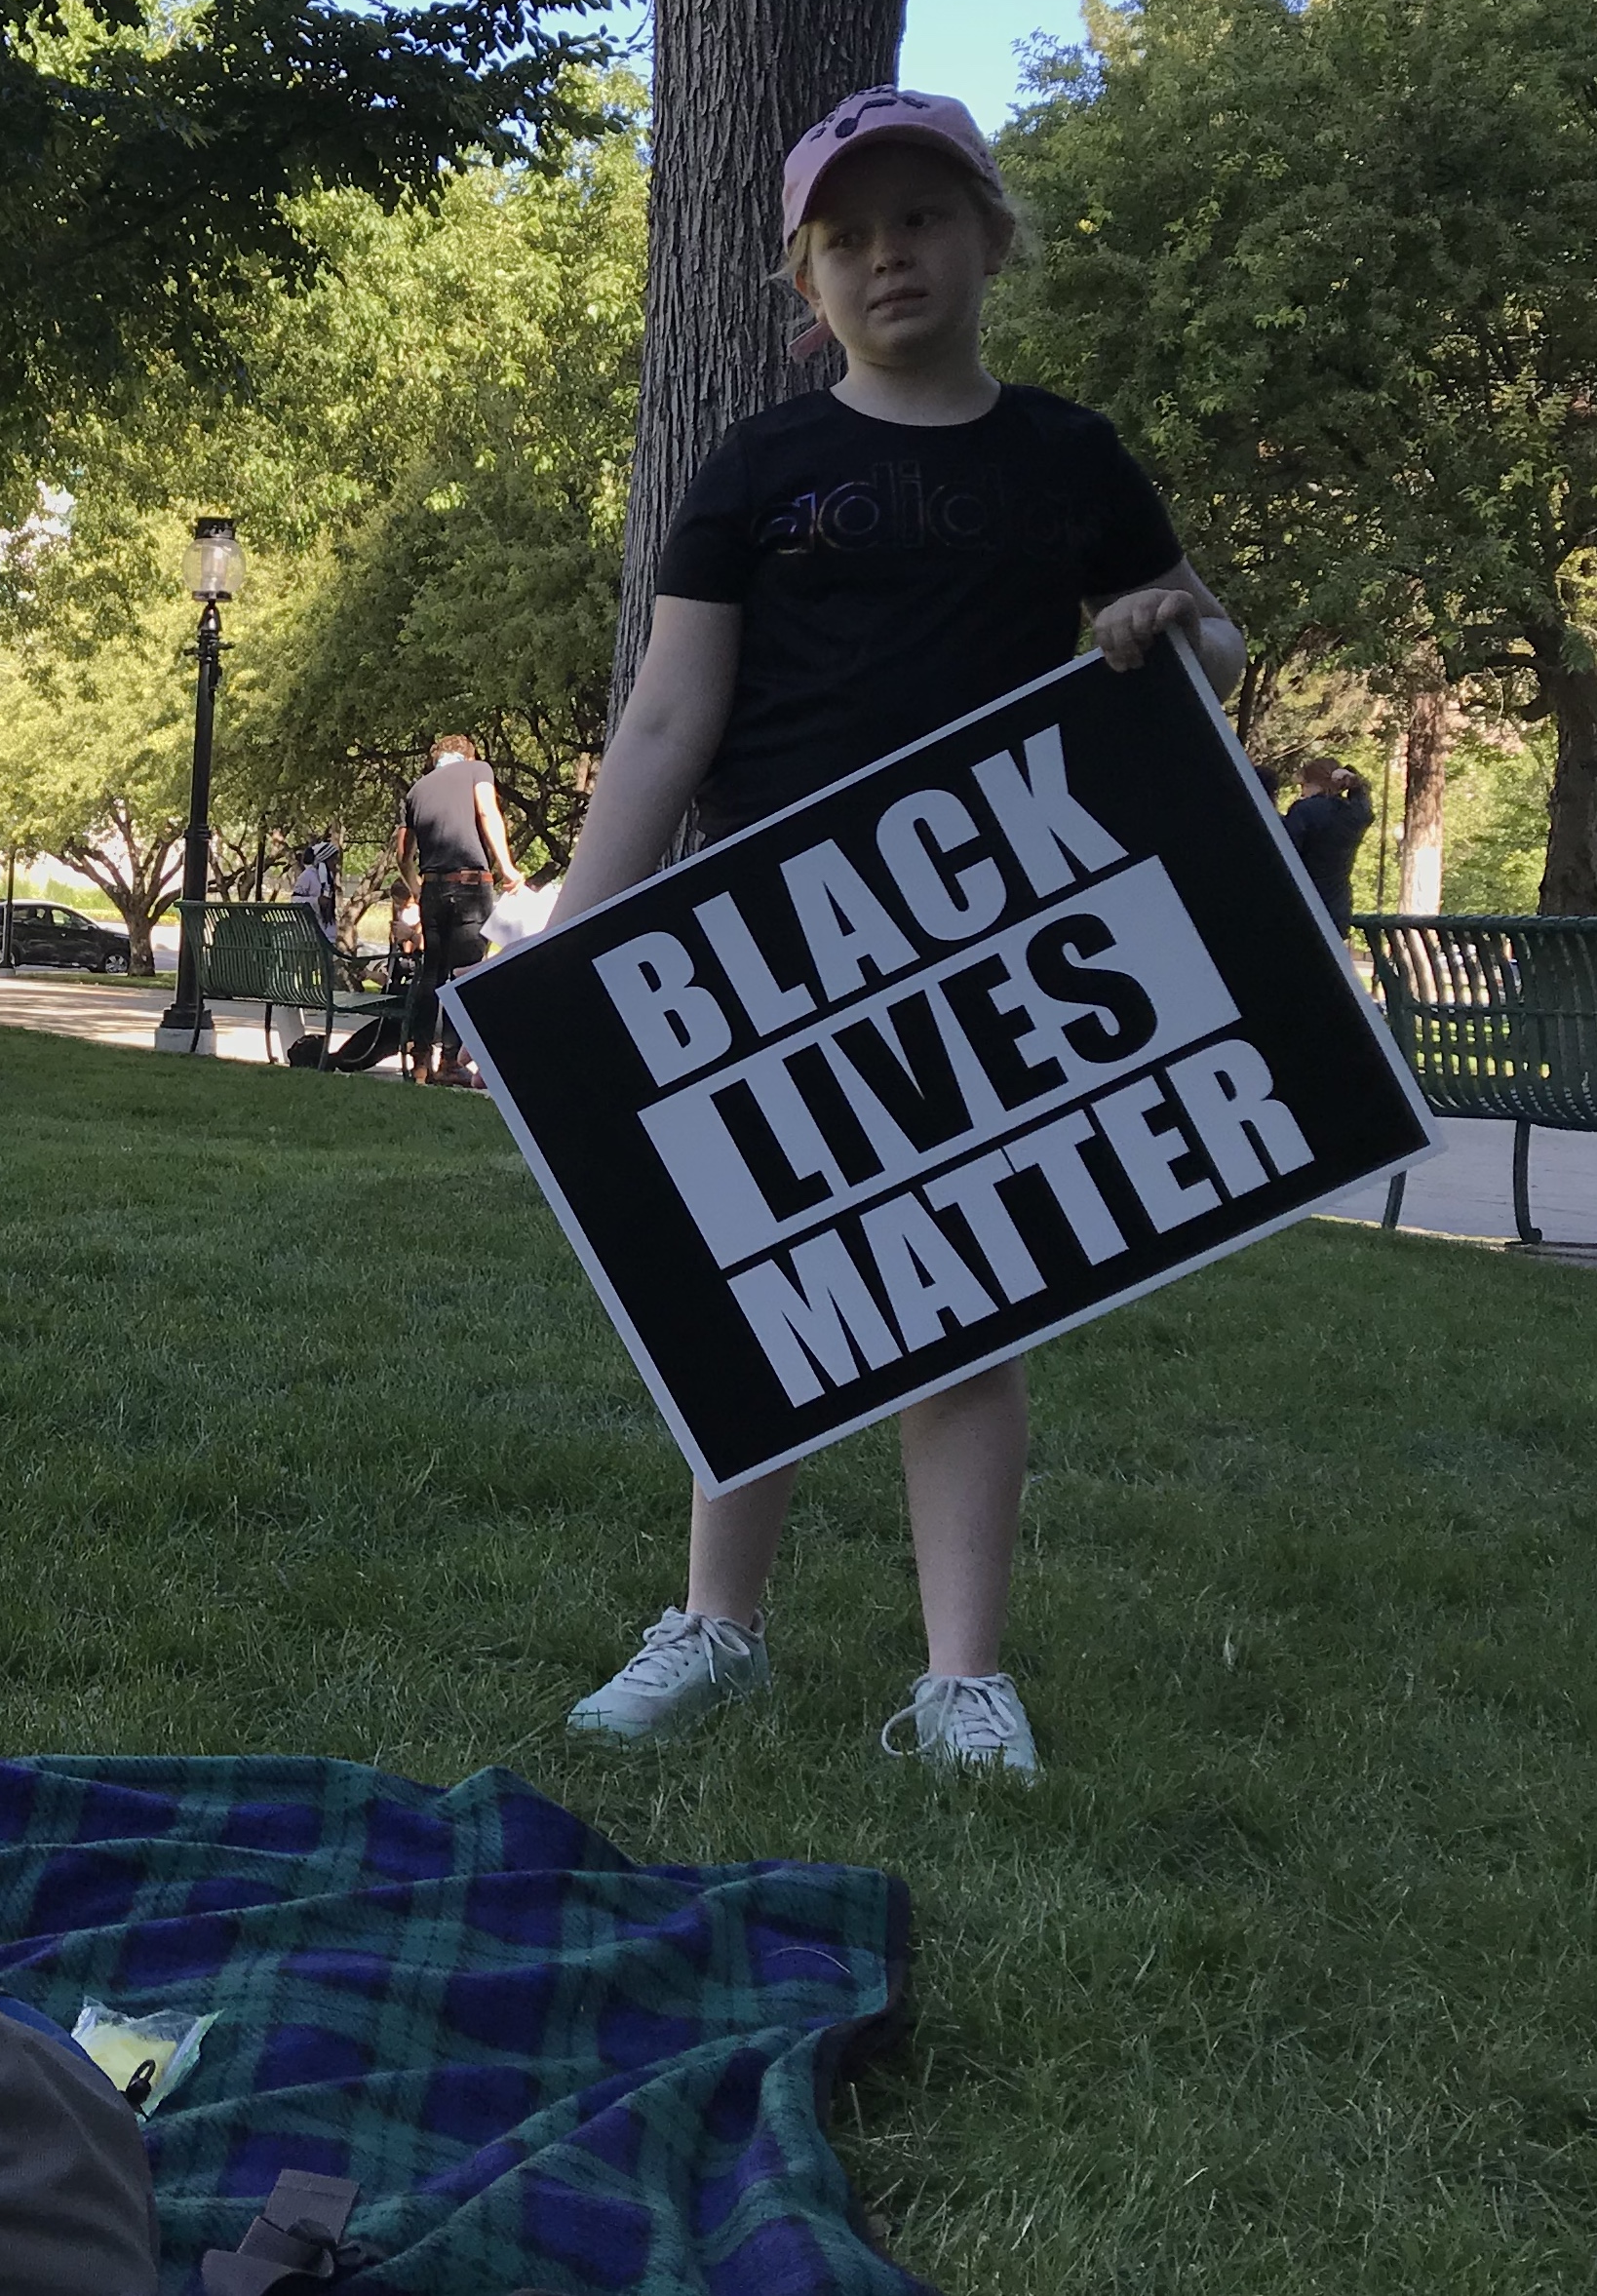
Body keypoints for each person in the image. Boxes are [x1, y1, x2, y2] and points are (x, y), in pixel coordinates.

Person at [549, 89, 1247, 1778]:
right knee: (765, 1285)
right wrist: (564, 950)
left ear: (988, 238)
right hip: (765, 937)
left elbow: (1203, 658)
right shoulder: (757, 467)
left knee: (971, 1299)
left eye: (921, 219)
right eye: (847, 238)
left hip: (988, 934)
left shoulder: (1069, 457)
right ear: (806, 283)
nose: (889, 257)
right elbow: (662, 725)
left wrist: (1176, 623)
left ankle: (961, 1680)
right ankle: (715, 1625)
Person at [392, 735, 526, 1085]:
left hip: (433, 887)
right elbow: (486, 811)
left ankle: (419, 1058)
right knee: (464, 972)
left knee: (430, 973)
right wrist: (507, 867)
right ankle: (450, 1062)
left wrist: (417, 889)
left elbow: (402, 854)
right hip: (470, 884)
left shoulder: (416, 791)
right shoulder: (477, 769)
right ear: (468, 756)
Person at [1282, 757, 1371, 934]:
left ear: (1314, 783)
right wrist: (1356, 782)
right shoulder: (1353, 815)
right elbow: (1364, 803)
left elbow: (1287, 852)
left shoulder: (1304, 811)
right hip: (1337, 908)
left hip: (1303, 904)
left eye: (1304, 785)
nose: (1302, 793)